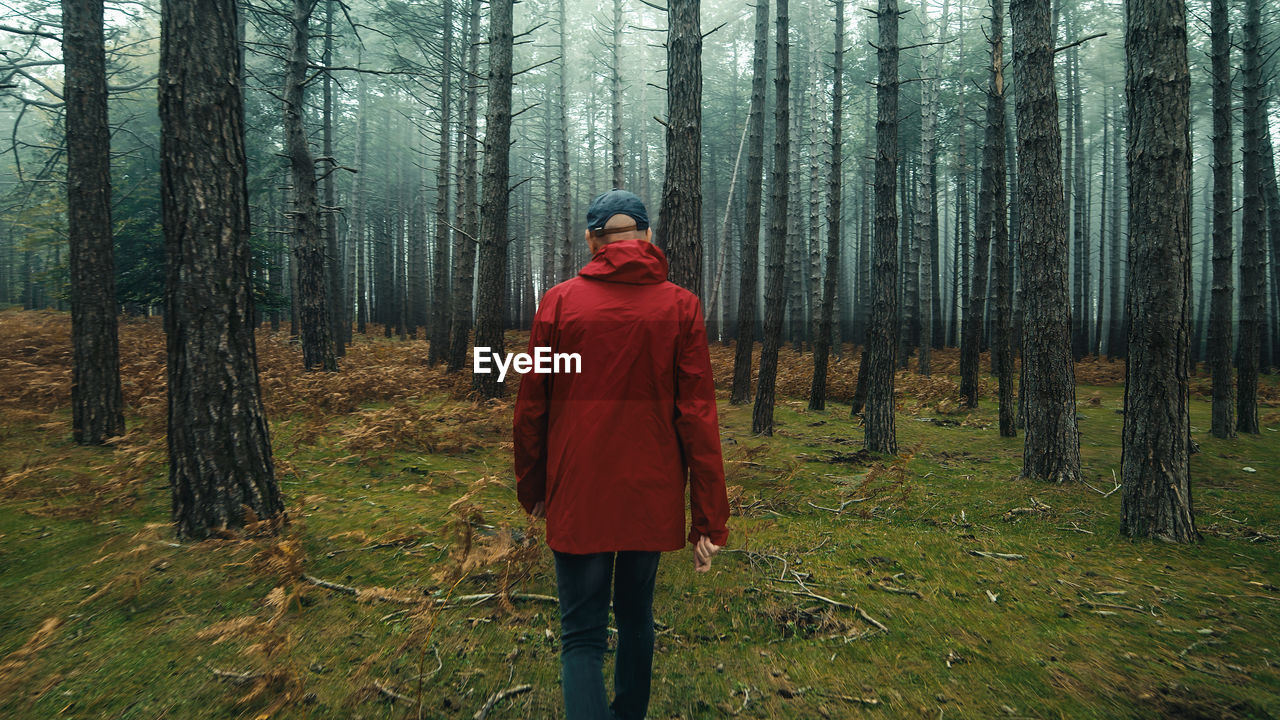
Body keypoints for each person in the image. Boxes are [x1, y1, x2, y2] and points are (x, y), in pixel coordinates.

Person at [513, 190, 731, 720]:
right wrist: (709, 517)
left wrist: (535, 487)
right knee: (637, 619)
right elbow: (697, 415)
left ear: (591, 242)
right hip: (648, 492)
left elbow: (532, 405)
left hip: (578, 487)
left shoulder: (560, 304)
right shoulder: (681, 308)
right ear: (647, 237)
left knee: (582, 634)